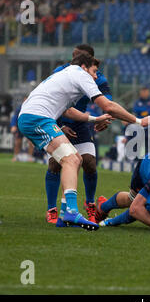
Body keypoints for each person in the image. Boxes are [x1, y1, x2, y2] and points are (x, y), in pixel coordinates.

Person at [18, 52, 150, 231]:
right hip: (37, 118)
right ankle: (70, 211)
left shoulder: (66, 75)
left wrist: (94, 119)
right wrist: (139, 121)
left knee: (75, 159)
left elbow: (68, 111)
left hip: (34, 117)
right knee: (71, 160)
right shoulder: (80, 74)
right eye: (94, 71)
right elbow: (108, 105)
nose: (95, 76)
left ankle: (64, 215)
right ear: (84, 67)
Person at [45, 44, 113, 225]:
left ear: (88, 60)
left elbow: (108, 100)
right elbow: (49, 99)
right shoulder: (60, 71)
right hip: (57, 121)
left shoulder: (97, 77)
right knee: (55, 163)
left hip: (81, 123)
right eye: (73, 55)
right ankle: (52, 209)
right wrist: (59, 126)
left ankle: (90, 203)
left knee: (89, 162)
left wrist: (106, 117)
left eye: (78, 56)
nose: (73, 59)